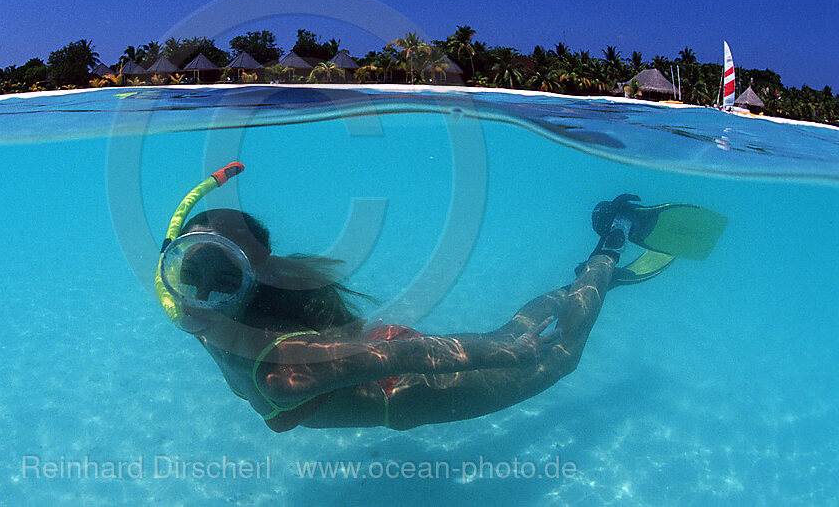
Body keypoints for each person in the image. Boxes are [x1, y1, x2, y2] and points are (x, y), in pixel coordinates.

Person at [153, 163, 724, 432]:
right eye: (187, 271)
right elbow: (182, 238)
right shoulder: (186, 305)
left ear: (255, 284)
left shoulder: (280, 373)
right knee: (510, 335)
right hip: (378, 362)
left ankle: (608, 249)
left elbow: (404, 358)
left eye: (223, 280)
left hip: (405, 387)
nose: (199, 296)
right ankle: (593, 279)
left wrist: (510, 355)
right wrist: (210, 190)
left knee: (556, 355)